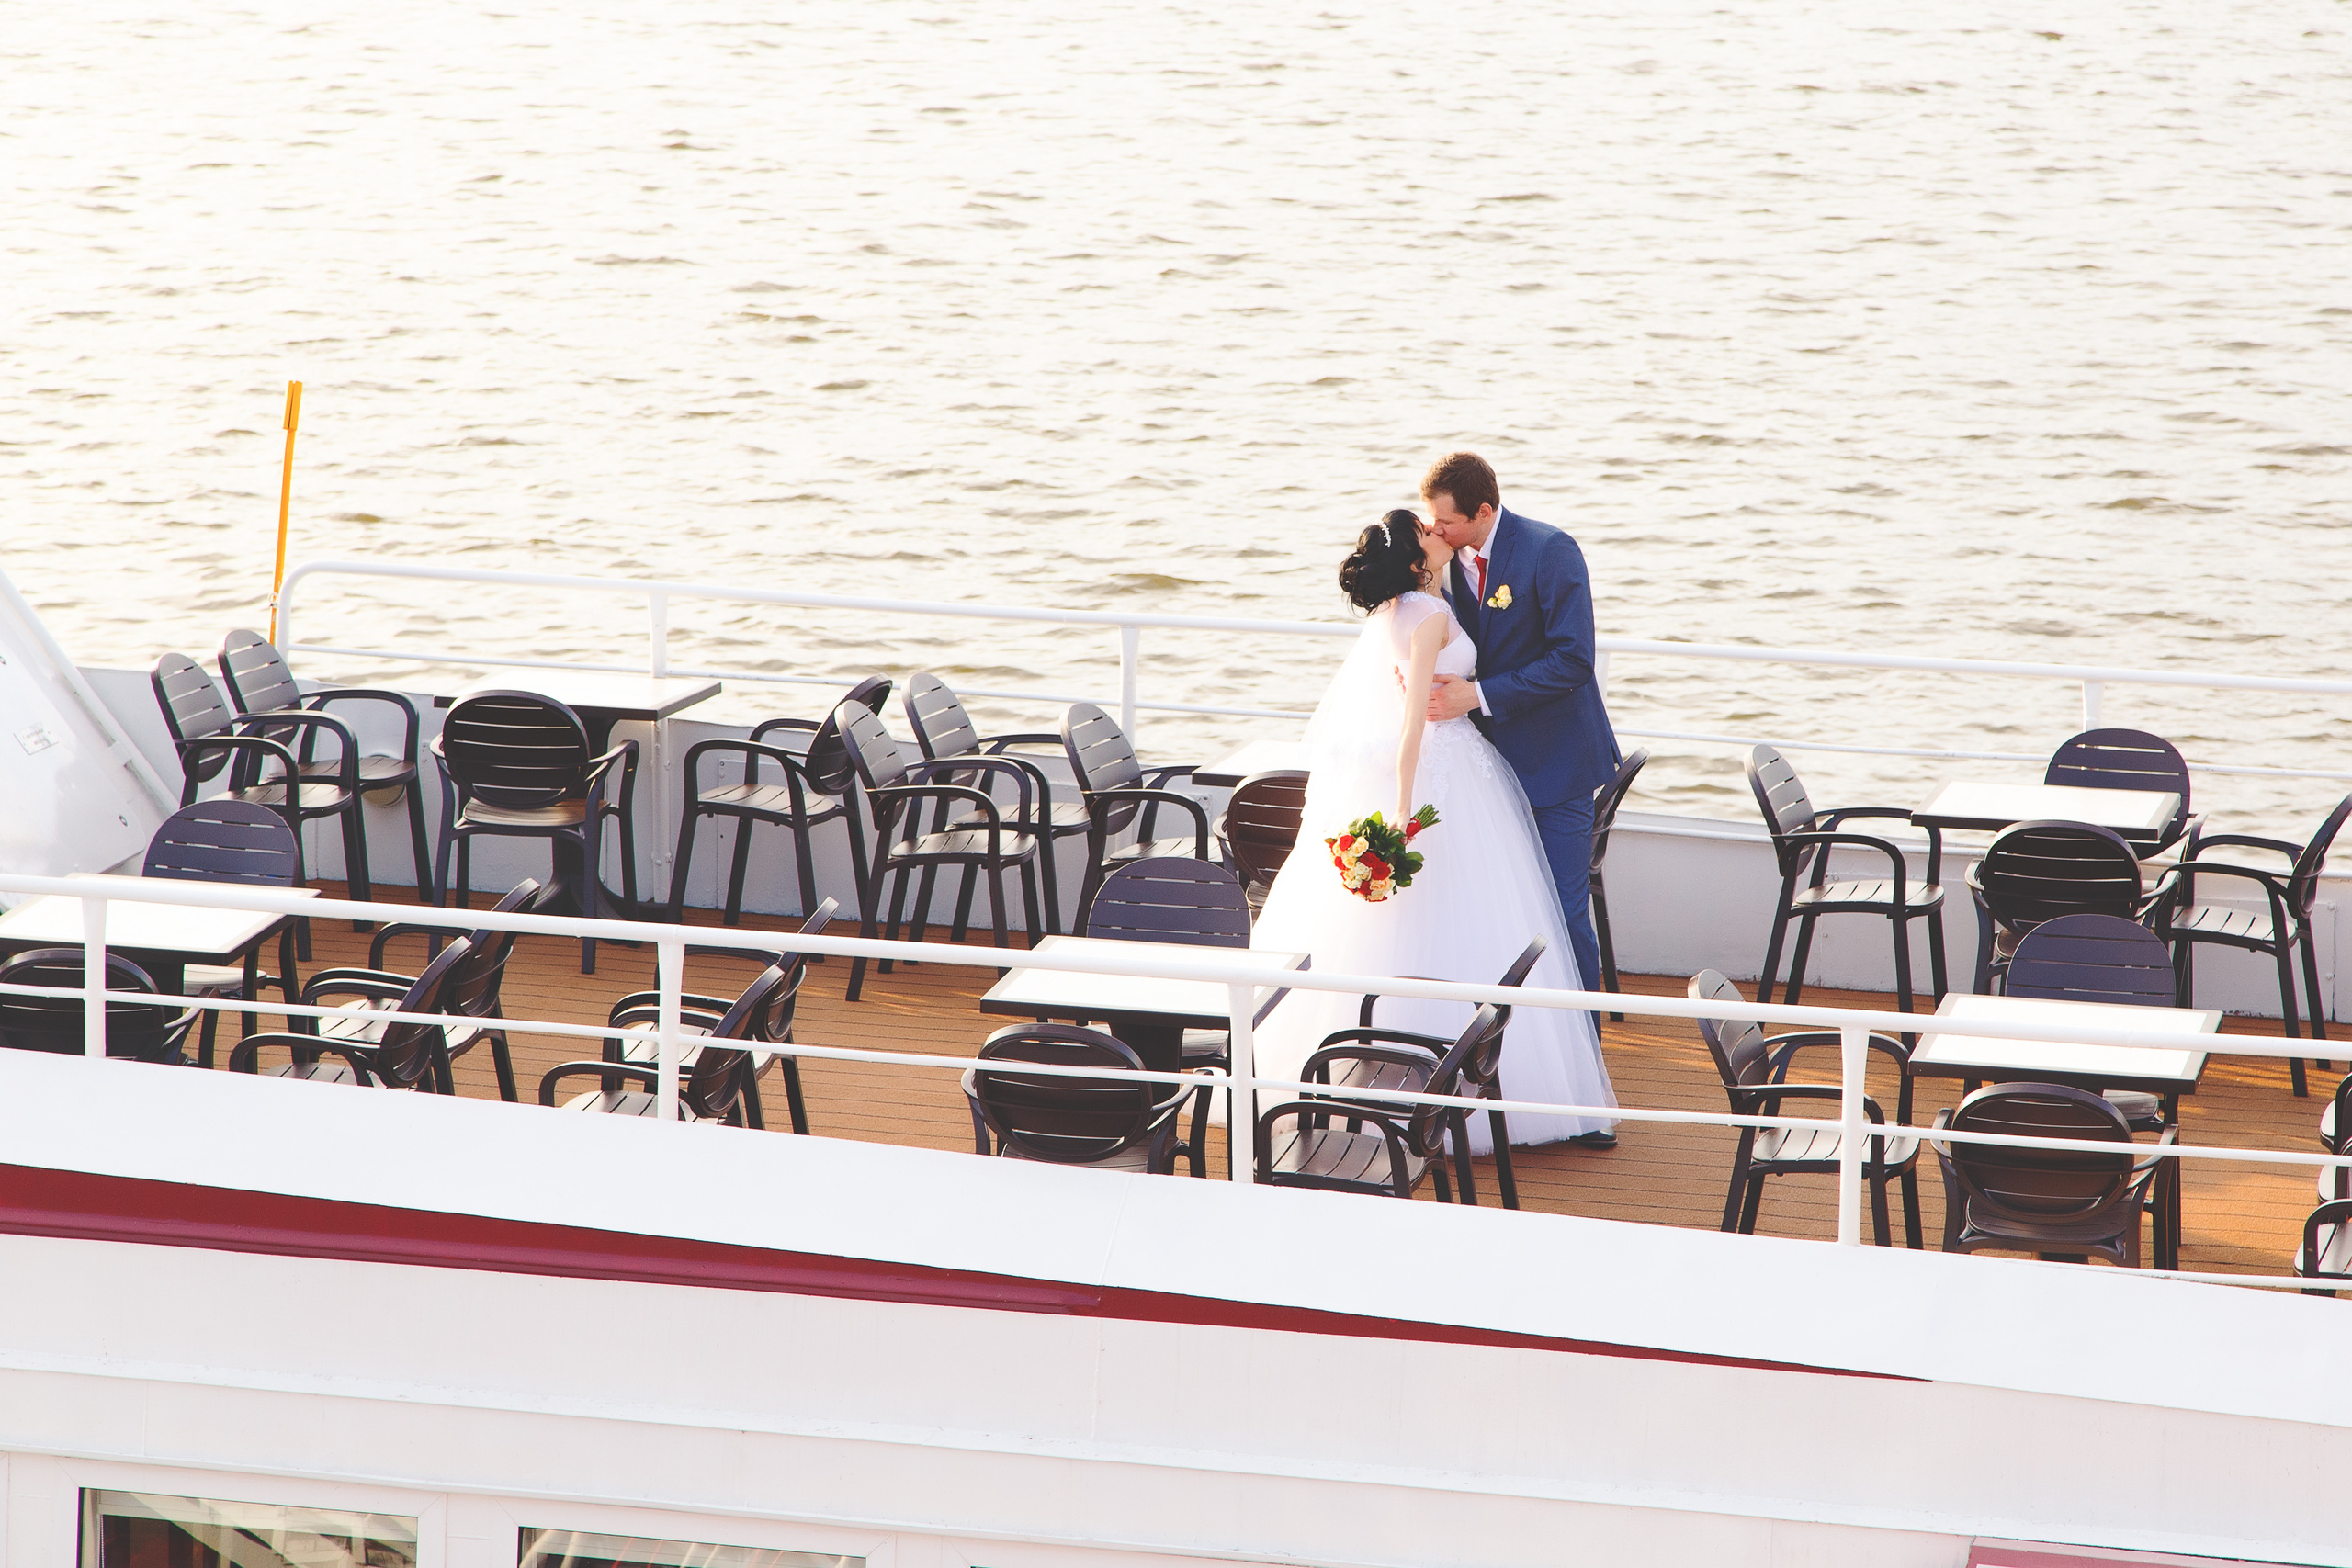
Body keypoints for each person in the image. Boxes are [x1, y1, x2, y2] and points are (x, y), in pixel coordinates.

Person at [1250, 510, 1619, 1154]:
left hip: (1458, 765)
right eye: (1427, 528)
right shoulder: (1424, 614)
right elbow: (1411, 723)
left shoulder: (1413, 605)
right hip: (1443, 771)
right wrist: (1401, 806)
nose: (1438, 532)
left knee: (1450, 914)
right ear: (1417, 557)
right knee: (1470, 915)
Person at [1421, 453, 1622, 1061]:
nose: (1437, 531)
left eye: (1446, 521)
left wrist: (1477, 695)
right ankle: (1517, 1053)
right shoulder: (1440, 565)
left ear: (1484, 511)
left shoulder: (1549, 550)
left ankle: (1583, 1054)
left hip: (1556, 765)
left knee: (1561, 909)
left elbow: (1572, 660)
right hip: (1483, 770)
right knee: (1494, 907)